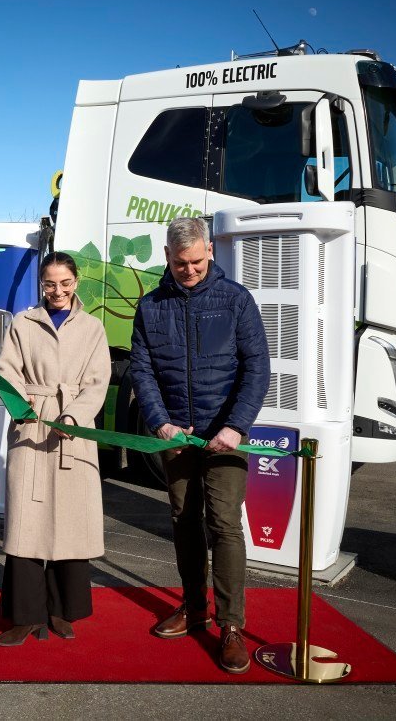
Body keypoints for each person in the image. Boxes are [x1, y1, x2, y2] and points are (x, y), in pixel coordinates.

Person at [129, 216, 270, 674]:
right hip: (176, 435)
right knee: (183, 519)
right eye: (178, 263)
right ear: (166, 257)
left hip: (225, 434)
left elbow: (257, 370)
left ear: (209, 251)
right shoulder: (150, 306)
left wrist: (236, 426)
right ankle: (194, 607)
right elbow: (142, 369)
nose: (187, 270)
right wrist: (158, 421)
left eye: (194, 261)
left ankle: (231, 626)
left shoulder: (236, 301)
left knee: (225, 524)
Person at [0, 252, 111, 646]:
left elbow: (98, 381)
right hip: (32, 425)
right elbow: (7, 370)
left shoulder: (93, 328)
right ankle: (25, 615)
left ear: (76, 282)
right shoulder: (22, 323)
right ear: (40, 284)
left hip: (73, 431)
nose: (57, 291)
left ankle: (63, 610)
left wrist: (74, 418)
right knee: (27, 519)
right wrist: (22, 407)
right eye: (49, 284)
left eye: (64, 283)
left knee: (71, 520)